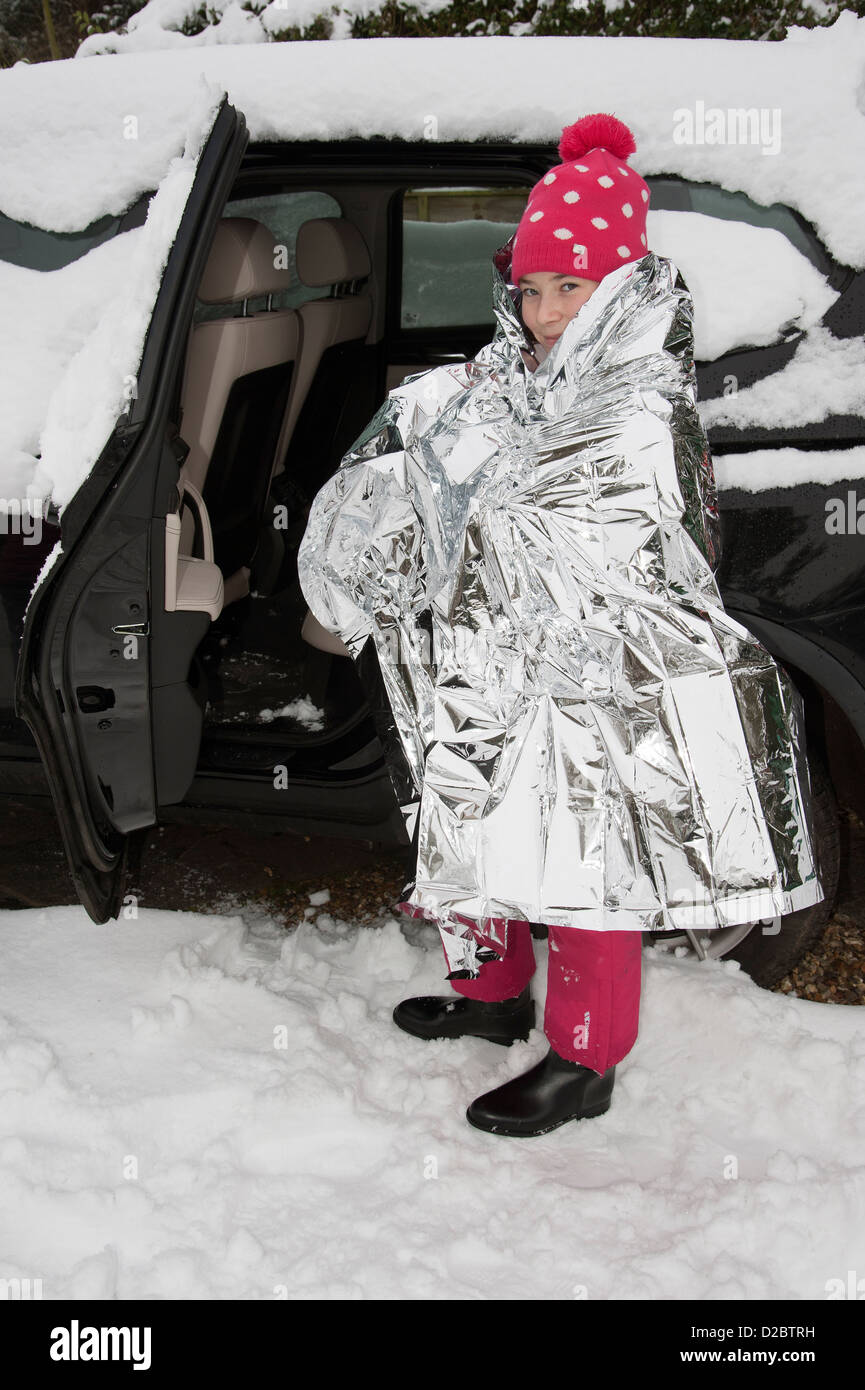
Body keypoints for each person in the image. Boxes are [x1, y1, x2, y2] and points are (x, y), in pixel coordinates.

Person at [297, 113, 824, 1139]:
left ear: (617, 286)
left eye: (566, 288)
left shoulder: (635, 403)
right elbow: (451, 474)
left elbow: (585, 528)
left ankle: (585, 1061)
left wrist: (452, 475)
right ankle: (493, 997)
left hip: (588, 681)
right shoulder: (510, 379)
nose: (541, 312)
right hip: (476, 663)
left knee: (587, 869)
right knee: (462, 825)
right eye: (529, 289)